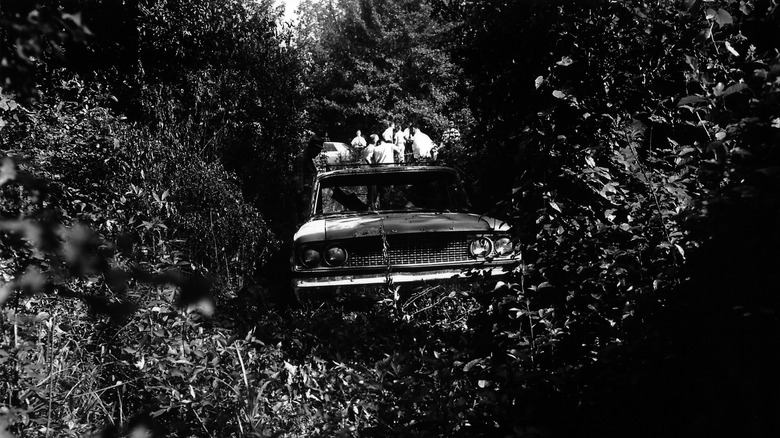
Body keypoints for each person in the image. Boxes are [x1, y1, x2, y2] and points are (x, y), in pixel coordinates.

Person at [293, 135, 324, 223]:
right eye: (317, 150)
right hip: (305, 202)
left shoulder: (309, 160)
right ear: (311, 147)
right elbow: (299, 186)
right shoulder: (301, 159)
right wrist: (304, 206)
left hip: (311, 199)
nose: (318, 153)